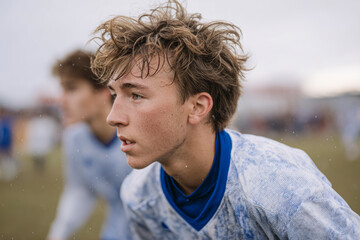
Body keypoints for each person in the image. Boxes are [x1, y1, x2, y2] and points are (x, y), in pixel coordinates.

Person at [91, 0, 360, 239]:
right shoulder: (139, 196)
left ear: (197, 107)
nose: (113, 117)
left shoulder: (281, 187)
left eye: (136, 95)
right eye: (115, 95)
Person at [47, 50, 132, 240]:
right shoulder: (74, 139)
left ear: (103, 92)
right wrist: (58, 234)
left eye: (72, 88)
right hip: (116, 232)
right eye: (62, 90)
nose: (62, 100)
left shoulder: (139, 132)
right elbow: (80, 190)